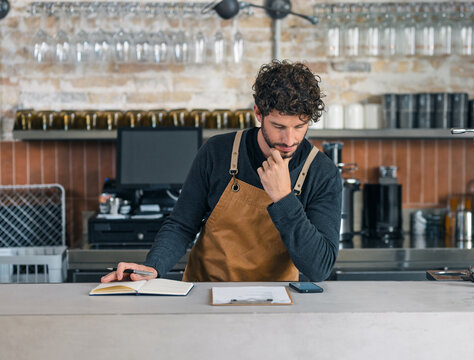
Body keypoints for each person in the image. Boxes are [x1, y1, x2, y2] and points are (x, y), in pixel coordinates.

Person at [102, 60, 342, 283]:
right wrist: (153, 267)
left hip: (276, 304)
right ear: (258, 113)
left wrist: (284, 198)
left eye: (299, 126)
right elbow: (181, 224)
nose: (289, 139)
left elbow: (318, 268)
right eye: (278, 126)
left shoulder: (322, 173)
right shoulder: (218, 151)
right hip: (206, 294)